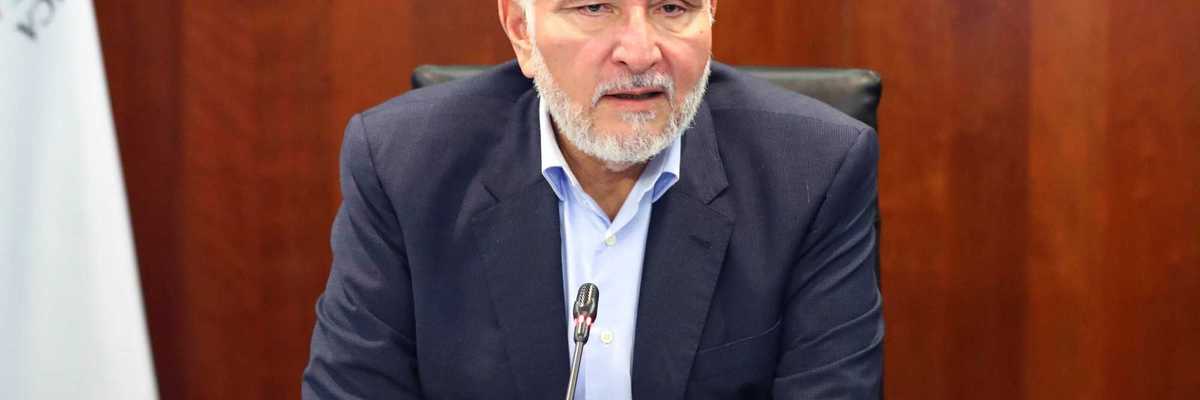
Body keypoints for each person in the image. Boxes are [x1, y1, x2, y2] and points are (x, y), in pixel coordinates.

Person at [302, 0, 883, 398]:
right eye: (594, 6)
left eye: (672, 7)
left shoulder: (815, 170)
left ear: (712, 16)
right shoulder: (402, 163)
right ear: (521, 30)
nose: (640, 51)